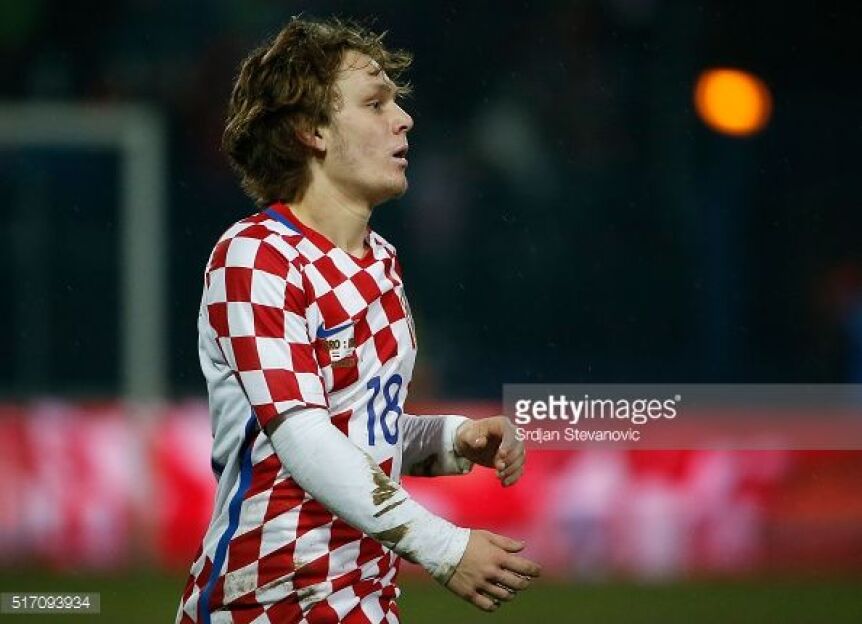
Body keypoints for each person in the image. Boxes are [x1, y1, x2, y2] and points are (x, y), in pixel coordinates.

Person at [176, 16, 541, 624]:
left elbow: (356, 433)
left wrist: (452, 438)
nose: (404, 119)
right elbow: (303, 439)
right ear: (311, 130)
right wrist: (445, 548)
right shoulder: (258, 256)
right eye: (375, 103)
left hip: (363, 600)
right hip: (270, 599)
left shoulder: (383, 264)